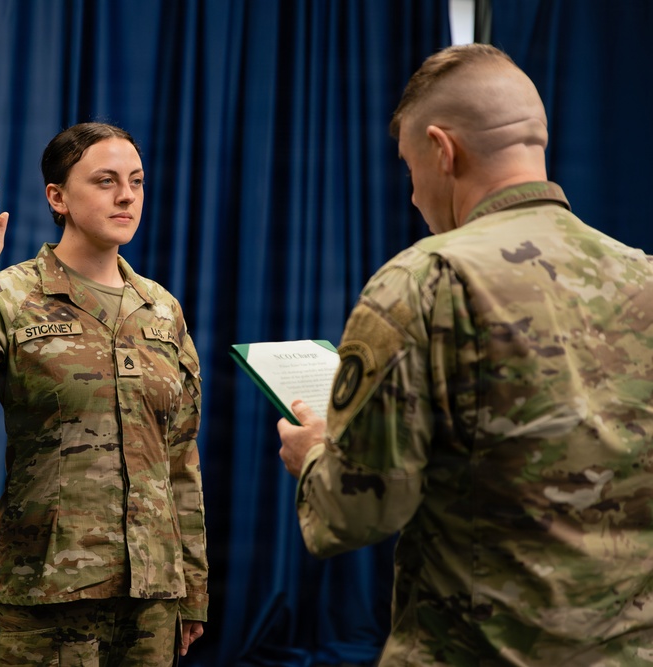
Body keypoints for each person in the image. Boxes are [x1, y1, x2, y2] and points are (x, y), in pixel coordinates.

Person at [277, 43, 653, 665]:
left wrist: (314, 453)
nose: (415, 195)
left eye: (409, 167)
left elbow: (357, 511)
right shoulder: (643, 276)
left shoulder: (425, 281)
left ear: (442, 150)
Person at [0, 122, 208, 666]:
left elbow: (179, 457)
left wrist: (193, 588)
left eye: (135, 180)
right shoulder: (9, 296)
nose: (127, 194)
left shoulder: (161, 309)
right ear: (58, 198)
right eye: (106, 180)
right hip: (44, 599)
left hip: (151, 602)